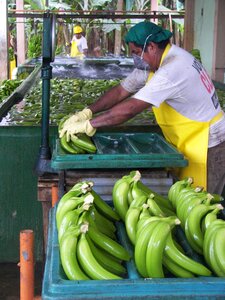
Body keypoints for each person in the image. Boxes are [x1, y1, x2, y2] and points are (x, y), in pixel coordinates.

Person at [60, 21, 225, 194]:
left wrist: (90, 124)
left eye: (137, 53)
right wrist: (87, 112)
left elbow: (131, 108)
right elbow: (121, 91)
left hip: (210, 141)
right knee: (189, 194)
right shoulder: (157, 61)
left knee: (207, 202)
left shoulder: (171, 69)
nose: (135, 58)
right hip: (192, 136)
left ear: (152, 47)